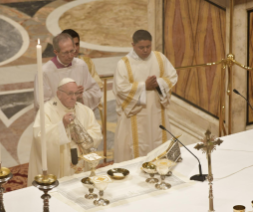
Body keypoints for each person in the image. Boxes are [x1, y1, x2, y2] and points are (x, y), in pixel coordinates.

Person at [113, 29, 178, 163]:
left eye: (148, 46)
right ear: (133, 45)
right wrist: (144, 86)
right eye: (141, 47)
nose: (145, 50)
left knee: (157, 140)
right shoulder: (124, 64)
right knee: (135, 146)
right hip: (135, 113)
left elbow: (172, 76)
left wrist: (158, 83)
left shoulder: (159, 58)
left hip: (156, 110)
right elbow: (120, 88)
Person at [28, 78, 102, 186]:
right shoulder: (47, 110)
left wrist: (80, 136)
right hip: (58, 170)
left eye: (76, 93)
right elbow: (39, 136)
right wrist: (61, 125)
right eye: (70, 93)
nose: (73, 97)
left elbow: (97, 133)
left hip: (81, 164)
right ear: (59, 94)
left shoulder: (85, 110)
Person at [34, 33, 102, 110]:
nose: (70, 56)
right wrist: (63, 99)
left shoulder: (81, 65)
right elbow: (42, 103)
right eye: (65, 52)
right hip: (58, 119)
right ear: (56, 52)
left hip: (79, 116)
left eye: (72, 51)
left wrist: (81, 96)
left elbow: (95, 92)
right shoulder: (45, 72)